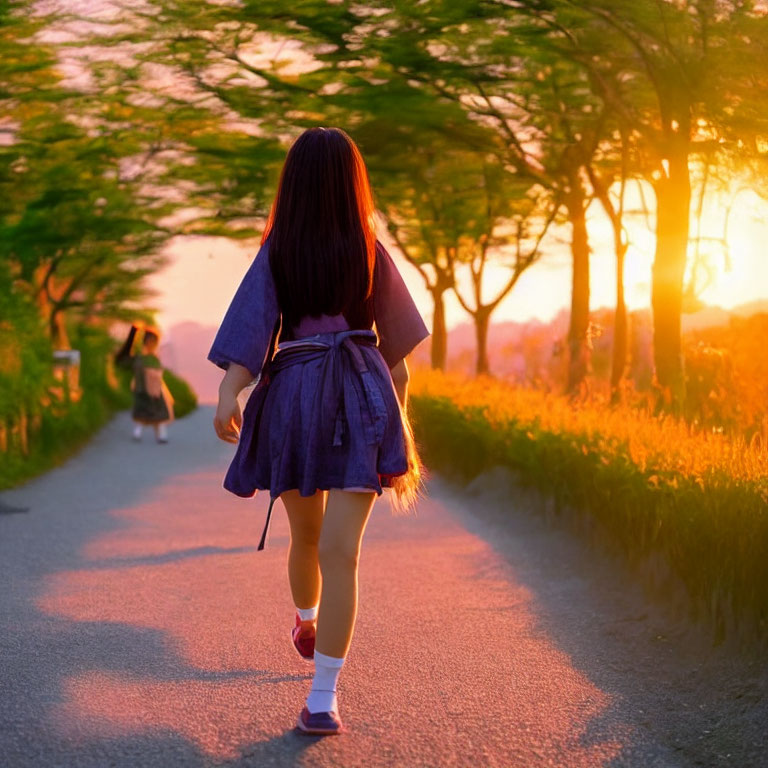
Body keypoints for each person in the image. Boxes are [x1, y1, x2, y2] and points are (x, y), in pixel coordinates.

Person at [208, 127, 429, 736]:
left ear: (294, 183)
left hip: (299, 395)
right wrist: (399, 425)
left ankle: (321, 682)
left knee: (313, 541)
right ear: (353, 181)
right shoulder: (367, 247)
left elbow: (252, 330)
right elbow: (400, 357)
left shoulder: (280, 248)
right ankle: (315, 650)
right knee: (335, 549)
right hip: (362, 395)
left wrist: (232, 390)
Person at [115, 323, 174, 443]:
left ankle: (158, 435)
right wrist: (133, 333)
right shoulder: (141, 359)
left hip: (153, 390)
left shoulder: (150, 358)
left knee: (155, 415)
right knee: (146, 414)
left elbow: (157, 375)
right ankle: (144, 434)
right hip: (146, 390)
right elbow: (121, 361)